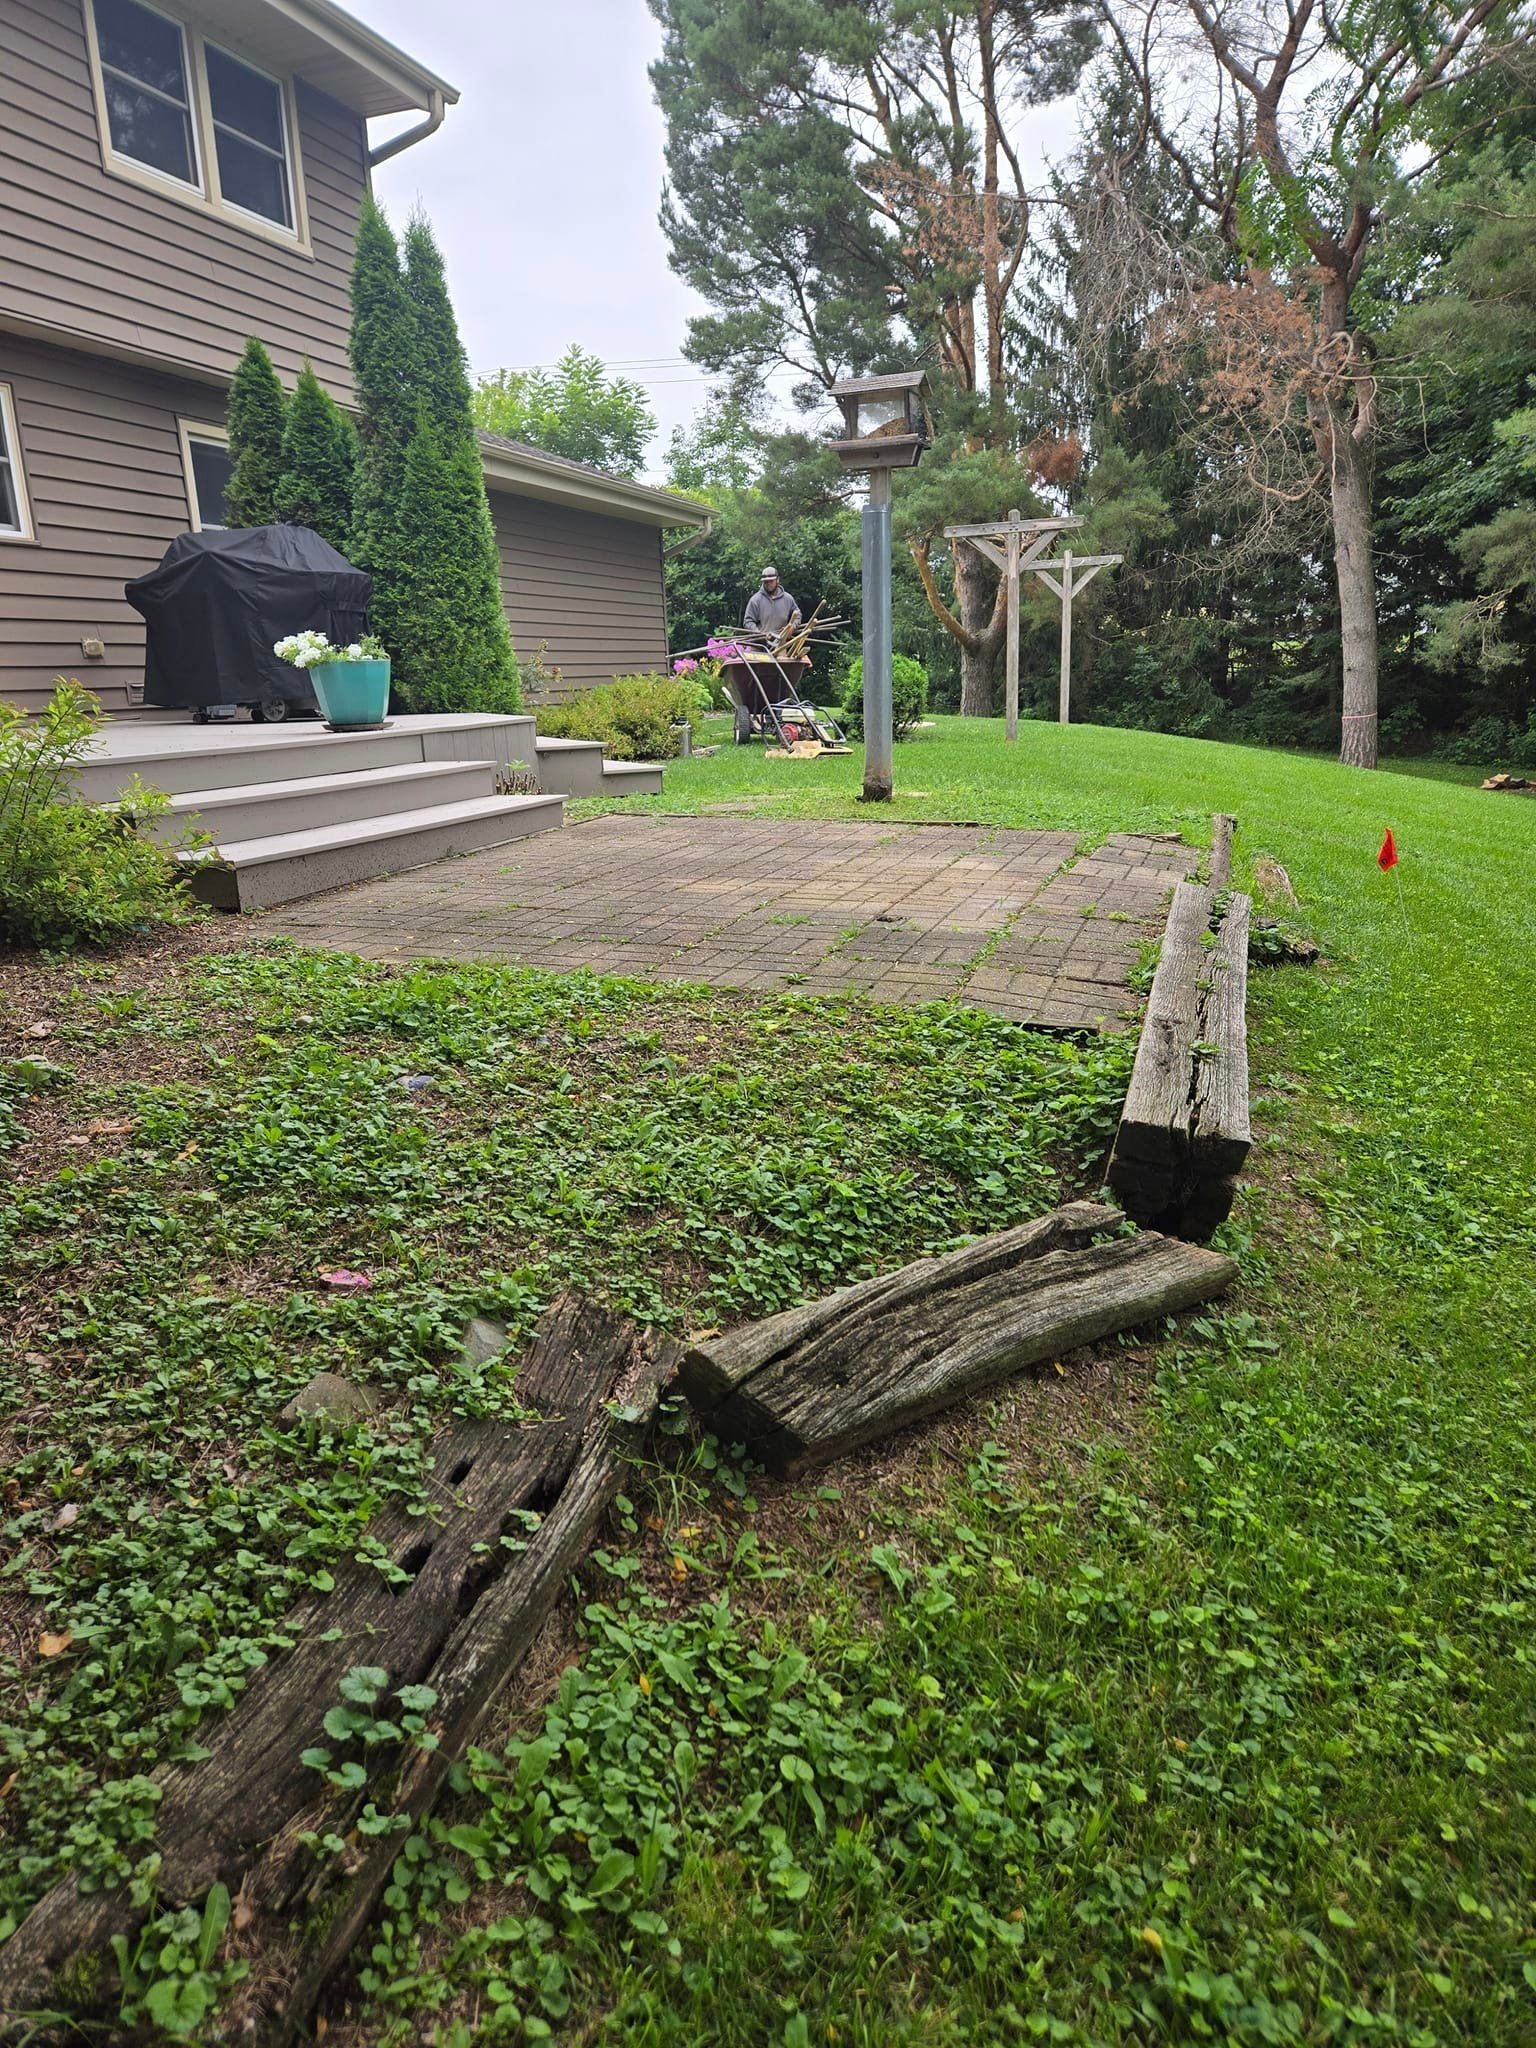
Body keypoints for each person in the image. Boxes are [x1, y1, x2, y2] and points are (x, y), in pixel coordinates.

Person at [743, 566, 801, 643]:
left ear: (778, 580)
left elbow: (798, 615)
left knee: (782, 655)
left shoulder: (788, 599)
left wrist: (792, 628)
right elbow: (748, 621)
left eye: (771, 581)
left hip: (780, 644)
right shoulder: (755, 600)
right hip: (759, 645)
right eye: (766, 582)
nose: (768, 584)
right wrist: (758, 634)